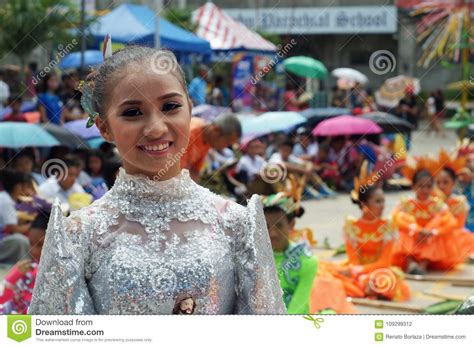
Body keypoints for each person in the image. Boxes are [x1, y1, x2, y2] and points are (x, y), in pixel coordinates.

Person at [29, 46, 285, 315]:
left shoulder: (236, 223)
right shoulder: (77, 234)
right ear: (104, 127)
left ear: (190, 108)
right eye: (132, 113)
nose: (156, 129)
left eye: (170, 107)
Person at [342, 162, 410, 301]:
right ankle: (364, 286)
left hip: (379, 270)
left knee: (383, 281)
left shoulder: (388, 226)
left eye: (383, 201)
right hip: (357, 271)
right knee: (330, 275)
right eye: (378, 201)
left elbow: (385, 261)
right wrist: (356, 270)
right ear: (364, 205)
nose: (383, 206)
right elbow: (353, 260)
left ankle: (366, 287)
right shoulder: (351, 227)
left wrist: (362, 271)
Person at [392, 157, 470, 274]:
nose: (425, 190)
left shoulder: (438, 204)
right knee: (403, 235)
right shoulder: (406, 203)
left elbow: (451, 222)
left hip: (429, 238)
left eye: (428, 186)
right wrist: (415, 229)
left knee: (437, 238)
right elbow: (395, 218)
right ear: (413, 186)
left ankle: (423, 265)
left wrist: (432, 232)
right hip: (413, 236)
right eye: (421, 186)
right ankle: (410, 263)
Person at [0, 210, 50, 314]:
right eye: (31, 243)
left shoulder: (62, 276)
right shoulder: (26, 270)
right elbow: (3, 301)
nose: (33, 251)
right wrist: (13, 277)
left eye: (41, 245)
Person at [180, 115, 242, 182]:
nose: (225, 147)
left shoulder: (208, 141)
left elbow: (196, 171)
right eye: (227, 142)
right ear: (216, 130)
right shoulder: (190, 133)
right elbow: (177, 172)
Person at [0, 170, 31, 264]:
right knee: (21, 240)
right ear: (17, 186)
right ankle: (23, 268)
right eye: (24, 186)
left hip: (4, 235)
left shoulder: (11, 198)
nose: (27, 190)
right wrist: (33, 225)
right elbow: (13, 229)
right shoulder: (5, 200)